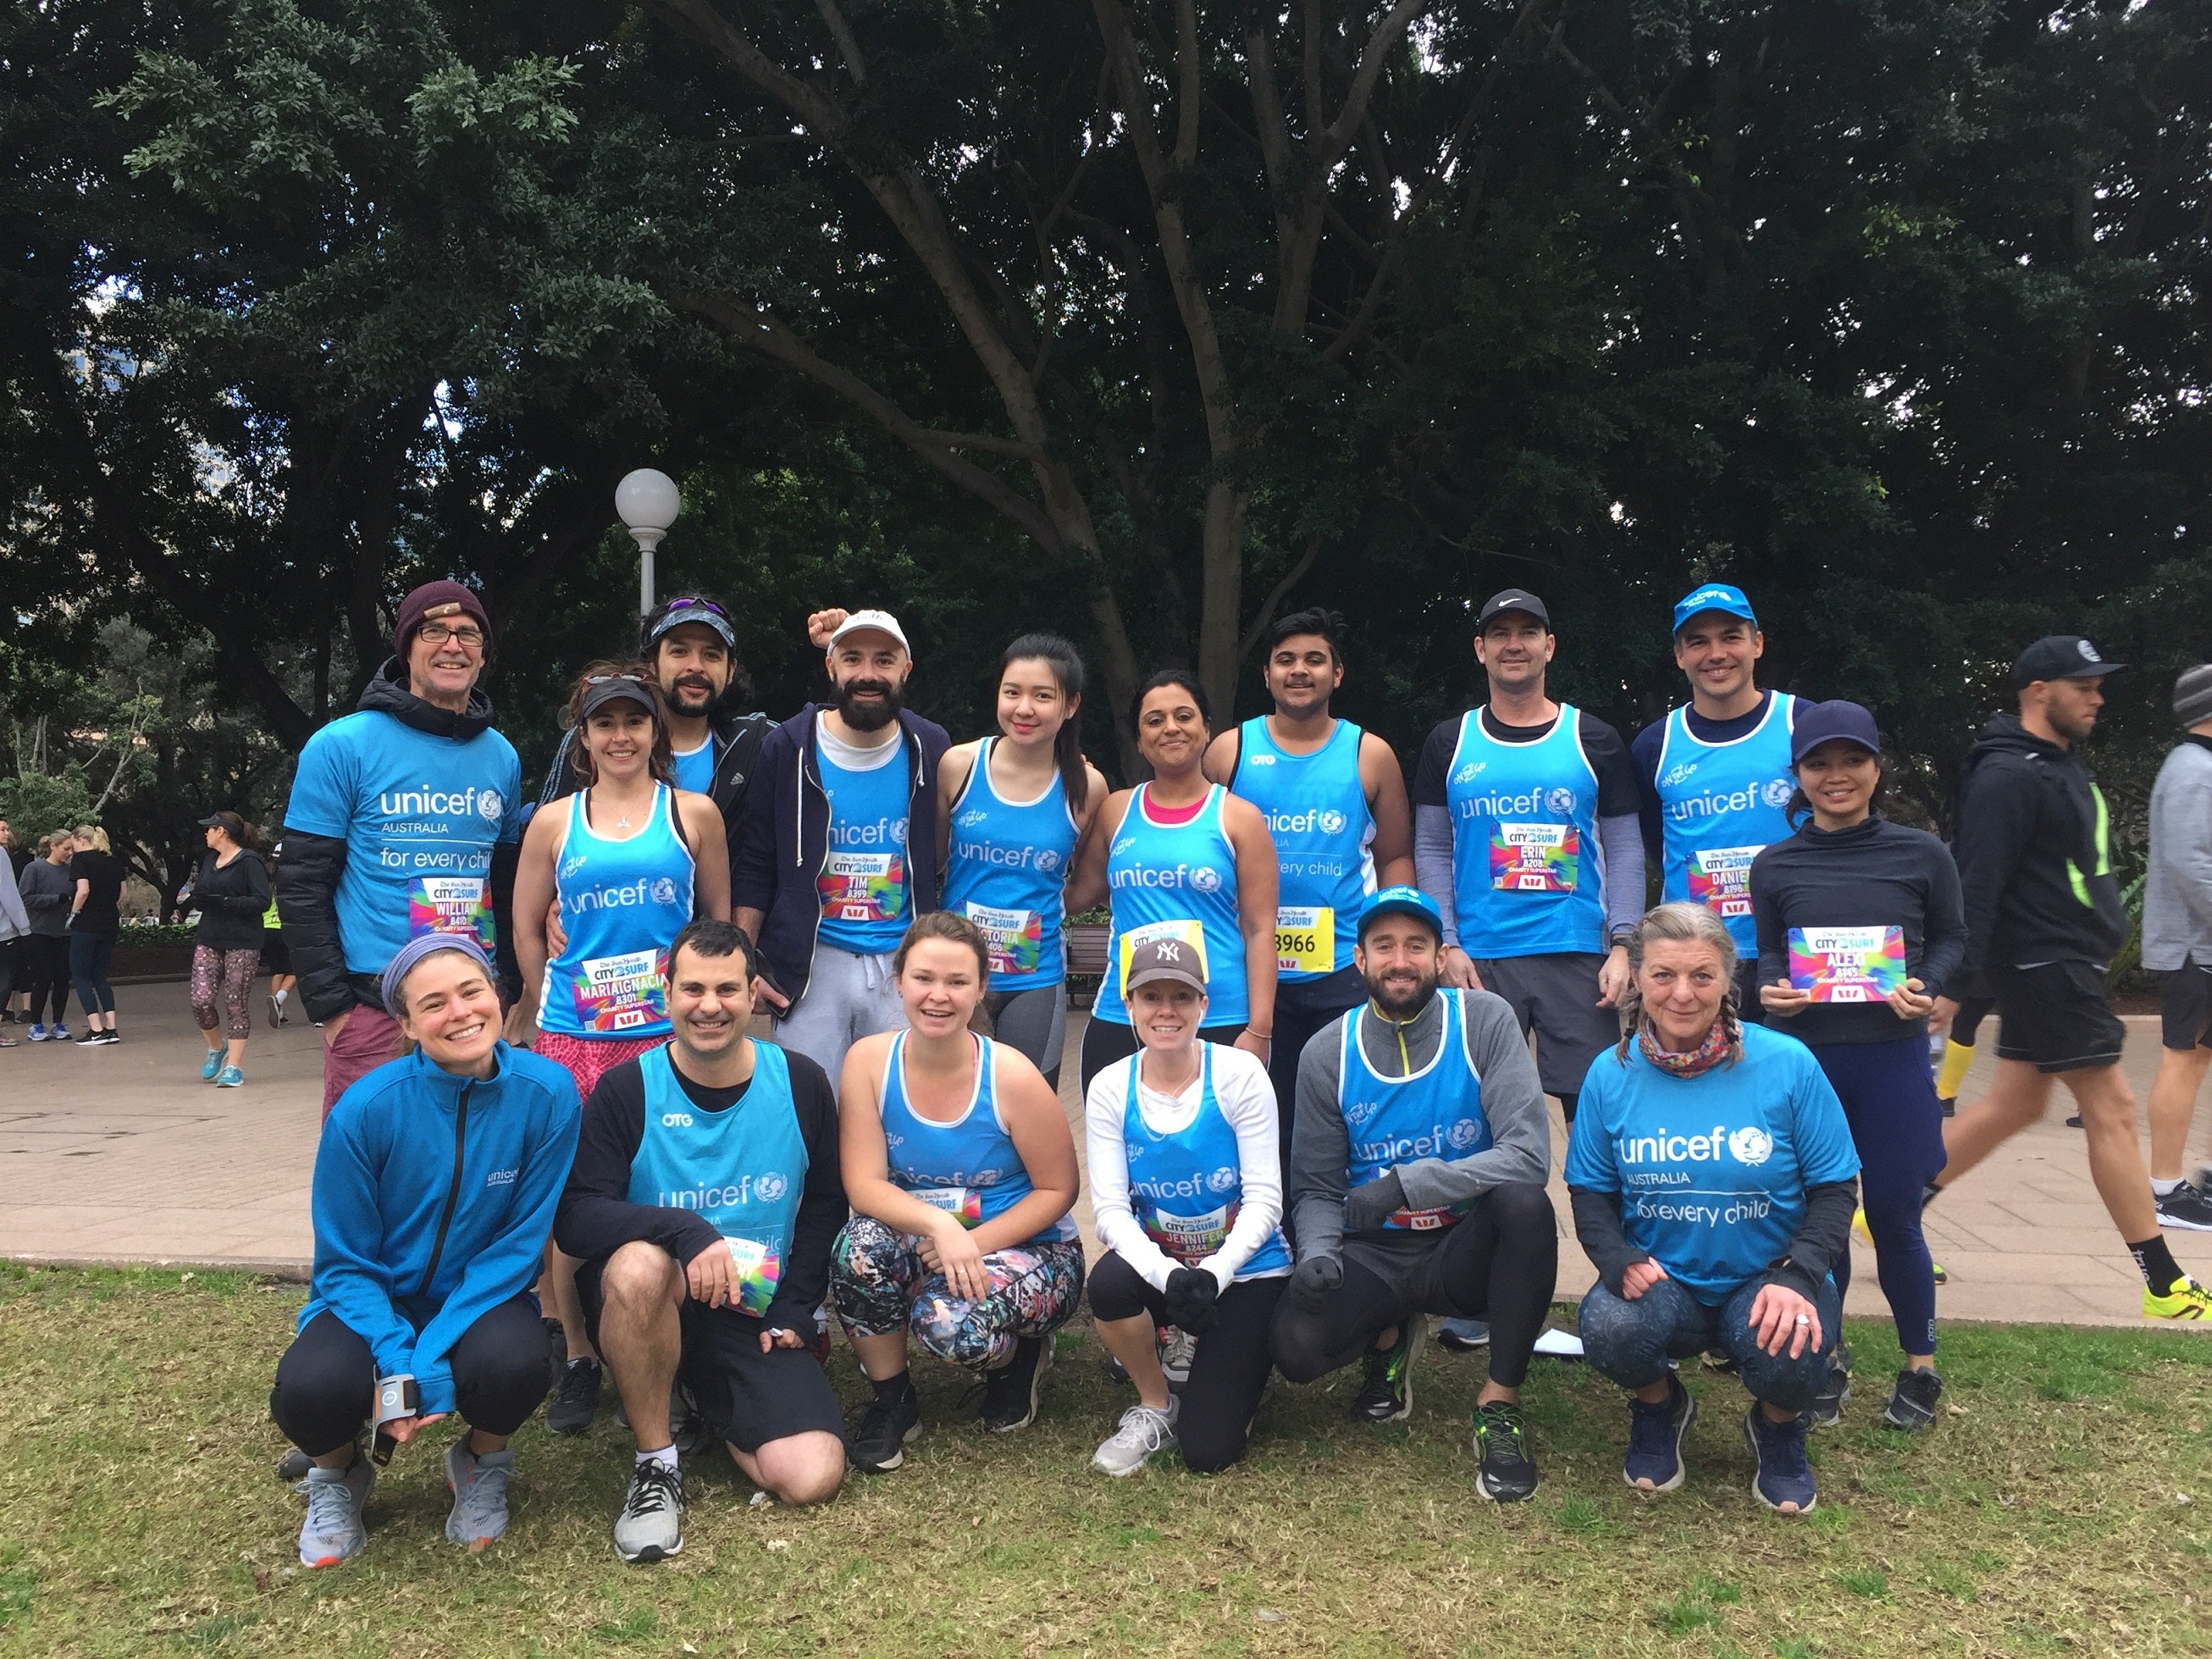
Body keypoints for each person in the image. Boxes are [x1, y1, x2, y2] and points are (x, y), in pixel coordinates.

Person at [268, 933, 580, 1568]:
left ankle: (479, 1461)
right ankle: (338, 1474)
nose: (461, 1012)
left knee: (519, 1363)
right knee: (310, 1388)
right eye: (433, 1003)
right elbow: (345, 1261)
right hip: (370, 1296)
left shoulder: (549, 1093)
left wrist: (428, 1360)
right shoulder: (366, 1108)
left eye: (472, 991)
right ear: (406, 1023)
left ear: (497, 995)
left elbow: (518, 1246)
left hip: (482, 1294)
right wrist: (395, 1353)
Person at [1933, 636, 2212, 1319]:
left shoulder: (2055, 764)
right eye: (2083, 685)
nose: (2097, 696)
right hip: (2043, 964)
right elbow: (1977, 882)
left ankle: (1887, 1208)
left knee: (2016, 1106)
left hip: (2059, 962)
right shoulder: (2007, 776)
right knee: (2112, 1108)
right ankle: (2163, 1282)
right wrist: (1957, 981)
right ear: (2039, 690)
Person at [556, 921, 848, 1561]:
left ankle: (698, 1392)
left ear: (753, 994)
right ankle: (656, 1463)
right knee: (638, 1264)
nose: (708, 1005)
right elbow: (576, 1216)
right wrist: (685, 1230)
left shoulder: (800, 1081)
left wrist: (798, 1304)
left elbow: (828, 1200)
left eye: (726, 988)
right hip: (652, 1297)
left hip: (753, 1306)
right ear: (666, 994)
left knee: (813, 1474)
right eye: (692, 988)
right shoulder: (626, 1088)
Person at [1269, 886, 1561, 1503]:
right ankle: (1389, 1336)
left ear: (1438, 958)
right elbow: (1317, 1185)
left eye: (1415, 946)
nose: (1400, 960)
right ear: (1360, 961)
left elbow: (1529, 1154)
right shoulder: (1328, 1050)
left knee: (1526, 1206)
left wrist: (1407, 1183)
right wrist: (1320, 1253)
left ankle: (1500, 1402)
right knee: (1296, 1349)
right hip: (1377, 1249)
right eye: (1384, 946)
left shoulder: (1484, 1020)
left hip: (1464, 1242)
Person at [1568, 903, 1861, 1516]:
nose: (1682, 993)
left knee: (1798, 1343)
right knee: (1610, 1326)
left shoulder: (1787, 1064)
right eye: (1664, 975)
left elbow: (1836, 1187)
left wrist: (1801, 1275)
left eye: (1702, 975)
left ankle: (1779, 1426)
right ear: (1638, 980)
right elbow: (1589, 1190)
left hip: (1767, 1276)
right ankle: (1659, 1407)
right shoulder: (1609, 1072)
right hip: (1665, 1282)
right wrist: (1617, 1258)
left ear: (1730, 981)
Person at [514, 666, 731, 1437]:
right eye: (603, 724)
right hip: (578, 1037)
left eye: (634, 722)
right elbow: (528, 924)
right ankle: (577, 1352)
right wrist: (549, 1008)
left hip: (664, 1037)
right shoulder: (552, 822)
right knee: (573, 1200)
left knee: (677, 1189)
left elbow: (717, 927)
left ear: (655, 730)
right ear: (584, 735)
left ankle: (685, 1351)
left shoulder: (693, 814)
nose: (620, 736)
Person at [1750, 702, 1963, 1430]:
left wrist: (1927, 987)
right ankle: (1829, 1356)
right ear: (1798, 775)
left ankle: (1920, 1365)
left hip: (1892, 1061)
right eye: (1818, 764)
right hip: (1810, 1065)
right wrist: (1770, 989)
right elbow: (1770, 954)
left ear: (1877, 767)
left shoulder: (1921, 852)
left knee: (1898, 1216)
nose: (1836, 776)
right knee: (1822, 1223)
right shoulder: (1775, 863)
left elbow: (1952, 938)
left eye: (1851, 761)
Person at [832, 912, 1084, 1471]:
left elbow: (1059, 1188)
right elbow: (863, 1183)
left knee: (948, 1327)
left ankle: (1021, 1354)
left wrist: (977, 1239)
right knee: (857, 1247)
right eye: (923, 978)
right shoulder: (869, 1063)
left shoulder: (1012, 1075)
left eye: (957, 981)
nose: (938, 995)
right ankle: (893, 1399)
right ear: (899, 980)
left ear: (981, 989)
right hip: (930, 1243)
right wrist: (943, 1226)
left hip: (1033, 1249)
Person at [279, 581, 526, 1118]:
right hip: (374, 1009)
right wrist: (332, 1008)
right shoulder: (341, 746)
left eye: (468, 633)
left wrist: (507, 988)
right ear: (406, 647)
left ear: (483, 653)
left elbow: (505, 887)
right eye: (433, 631)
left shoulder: (502, 757)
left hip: (473, 1009)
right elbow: (301, 884)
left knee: (473, 1162)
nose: (452, 645)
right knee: (372, 1172)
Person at [1412, 589, 1645, 1128]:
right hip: (1479, 961)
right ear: (1480, 648)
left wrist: (1624, 945)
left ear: (1549, 646)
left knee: (1598, 1122)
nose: (1513, 645)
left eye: (1527, 633)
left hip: (1581, 957)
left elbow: (1627, 848)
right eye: (1500, 634)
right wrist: (1445, 943)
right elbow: (1431, 847)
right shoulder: (1449, 742)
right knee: (1476, 1119)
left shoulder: (1594, 737)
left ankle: (1595, 1216)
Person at [1082, 936, 1290, 1476]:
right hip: (1166, 1268)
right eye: (1151, 997)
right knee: (1106, 1285)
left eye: (1182, 996)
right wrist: (1170, 1276)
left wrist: (1215, 1274)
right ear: (1128, 1005)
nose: (1167, 1011)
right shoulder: (1109, 1086)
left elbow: (1268, 1199)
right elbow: (1109, 1210)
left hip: (1244, 1270)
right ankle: (1157, 1404)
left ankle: (1231, 1369)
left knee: (1209, 1451)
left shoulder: (1240, 1074)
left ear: (1204, 1005)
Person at [1204, 607, 1415, 1131]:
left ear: (1336, 674)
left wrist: (1394, 946)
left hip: (1343, 971)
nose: (1299, 670)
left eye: (1315, 660)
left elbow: (1394, 857)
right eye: (1285, 660)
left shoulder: (1371, 755)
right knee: (1254, 1122)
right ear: (1268, 675)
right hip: (1243, 972)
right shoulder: (1229, 751)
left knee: (1343, 1119)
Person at [734, 610, 951, 1087]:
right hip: (810, 966)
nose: (868, 675)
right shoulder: (787, 746)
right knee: (813, 1111)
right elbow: (757, 861)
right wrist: (744, 959)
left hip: (904, 964)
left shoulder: (932, 747)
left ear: (905, 670)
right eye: (852, 659)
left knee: (896, 1112)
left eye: (884, 660)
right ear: (830, 666)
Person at [1075, 671, 1280, 1092]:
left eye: (1183, 716)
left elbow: (1260, 929)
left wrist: (1260, 1029)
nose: (1170, 727)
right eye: (1154, 720)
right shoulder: (1116, 811)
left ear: (1206, 729)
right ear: (1138, 739)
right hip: (1123, 1013)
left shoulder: (1240, 817)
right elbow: (1077, 894)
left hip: (1219, 1014)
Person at [939, 634, 1111, 1087]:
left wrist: (1051, 909)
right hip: (955, 973)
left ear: (1071, 705)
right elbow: (931, 860)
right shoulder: (958, 765)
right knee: (957, 1101)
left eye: (1042, 695)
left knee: (1027, 1105)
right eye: (1012, 692)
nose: (1024, 708)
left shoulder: (1088, 787)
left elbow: (1088, 882)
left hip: (1036, 977)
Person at [538, 593, 777, 896]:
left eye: (712, 655)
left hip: (718, 937)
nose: (696, 666)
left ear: (730, 671)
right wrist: (550, 906)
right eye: (679, 651)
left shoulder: (759, 744)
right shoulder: (597, 745)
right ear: (651, 664)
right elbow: (540, 850)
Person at [1634, 583, 1799, 1021]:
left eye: (1730, 636)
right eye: (1698, 642)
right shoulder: (1655, 745)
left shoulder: (1803, 723)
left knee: (1800, 1086)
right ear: (1679, 655)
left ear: (1757, 643)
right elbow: (1654, 842)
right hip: (1697, 961)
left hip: (1796, 952)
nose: (1716, 653)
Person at [2143, 666, 2212, 1230]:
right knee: (2180, 1057)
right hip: (2192, 947)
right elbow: (2189, 862)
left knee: (2199, 1058)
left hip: (2202, 944)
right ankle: (2165, 1191)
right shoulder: (2192, 768)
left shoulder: (2199, 765)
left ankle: (2206, 1179)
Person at [183, 810, 271, 1087]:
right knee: (201, 999)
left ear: (222, 831)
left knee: (235, 1002)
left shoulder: (250, 862)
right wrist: (201, 899)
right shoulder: (210, 860)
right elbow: (200, 893)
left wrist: (225, 902)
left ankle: (233, 1067)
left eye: (210, 829)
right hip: (209, 937)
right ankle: (215, 1047)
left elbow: (262, 901)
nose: (206, 833)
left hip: (242, 941)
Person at [65, 824, 125, 1044]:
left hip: (86, 923)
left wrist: (73, 914)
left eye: (73, 844)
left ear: (81, 840)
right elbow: (123, 892)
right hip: (109, 922)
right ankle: (111, 1027)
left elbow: (83, 890)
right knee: (100, 976)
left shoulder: (81, 861)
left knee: (81, 975)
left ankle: (95, 1029)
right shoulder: (114, 860)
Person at [19, 833, 74, 1041]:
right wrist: (54, 900)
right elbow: (25, 897)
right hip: (39, 932)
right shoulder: (34, 869)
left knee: (62, 979)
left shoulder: (71, 872)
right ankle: (36, 1024)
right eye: (66, 848)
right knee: (42, 979)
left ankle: (58, 1023)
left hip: (64, 932)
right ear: (53, 846)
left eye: (71, 849)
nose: (69, 853)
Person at [261, 841, 297, 1027]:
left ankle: (279, 1012)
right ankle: (279, 1000)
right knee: (297, 969)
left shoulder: (266, 881)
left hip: (267, 929)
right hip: (286, 928)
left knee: (277, 971)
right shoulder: (291, 878)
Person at [0, 833, 26, 1048]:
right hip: (3, 932)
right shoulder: (1, 855)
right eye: (3, 828)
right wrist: (24, 927)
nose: (7, 833)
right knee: (4, 981)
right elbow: (8, 893)